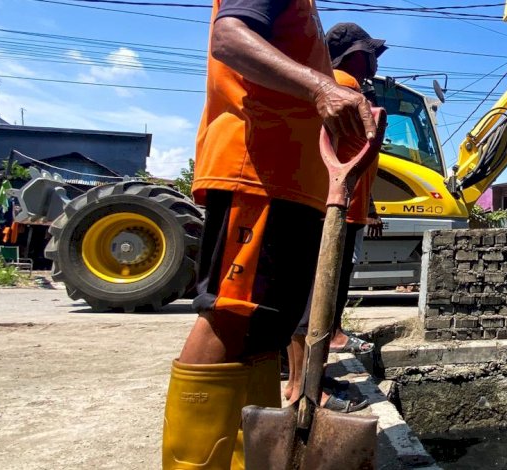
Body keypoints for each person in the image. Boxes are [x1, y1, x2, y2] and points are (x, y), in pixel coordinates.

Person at [161, 1, 379, 469]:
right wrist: (321, 86)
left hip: (293, 184)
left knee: (265, 328)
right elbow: (229, 38)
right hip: (259, 170)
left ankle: (246, 459)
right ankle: (194, 463)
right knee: (231, 315)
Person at [283, 22, 388, 412]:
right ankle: (302, 388)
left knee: (322, 301)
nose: (376, 61)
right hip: (334, 209)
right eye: (372, 53)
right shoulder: (343, 83)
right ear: (357, 54)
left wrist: (369, 206)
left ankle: (312, 379)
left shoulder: (349, 86)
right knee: (315, 301)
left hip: (346, 207)